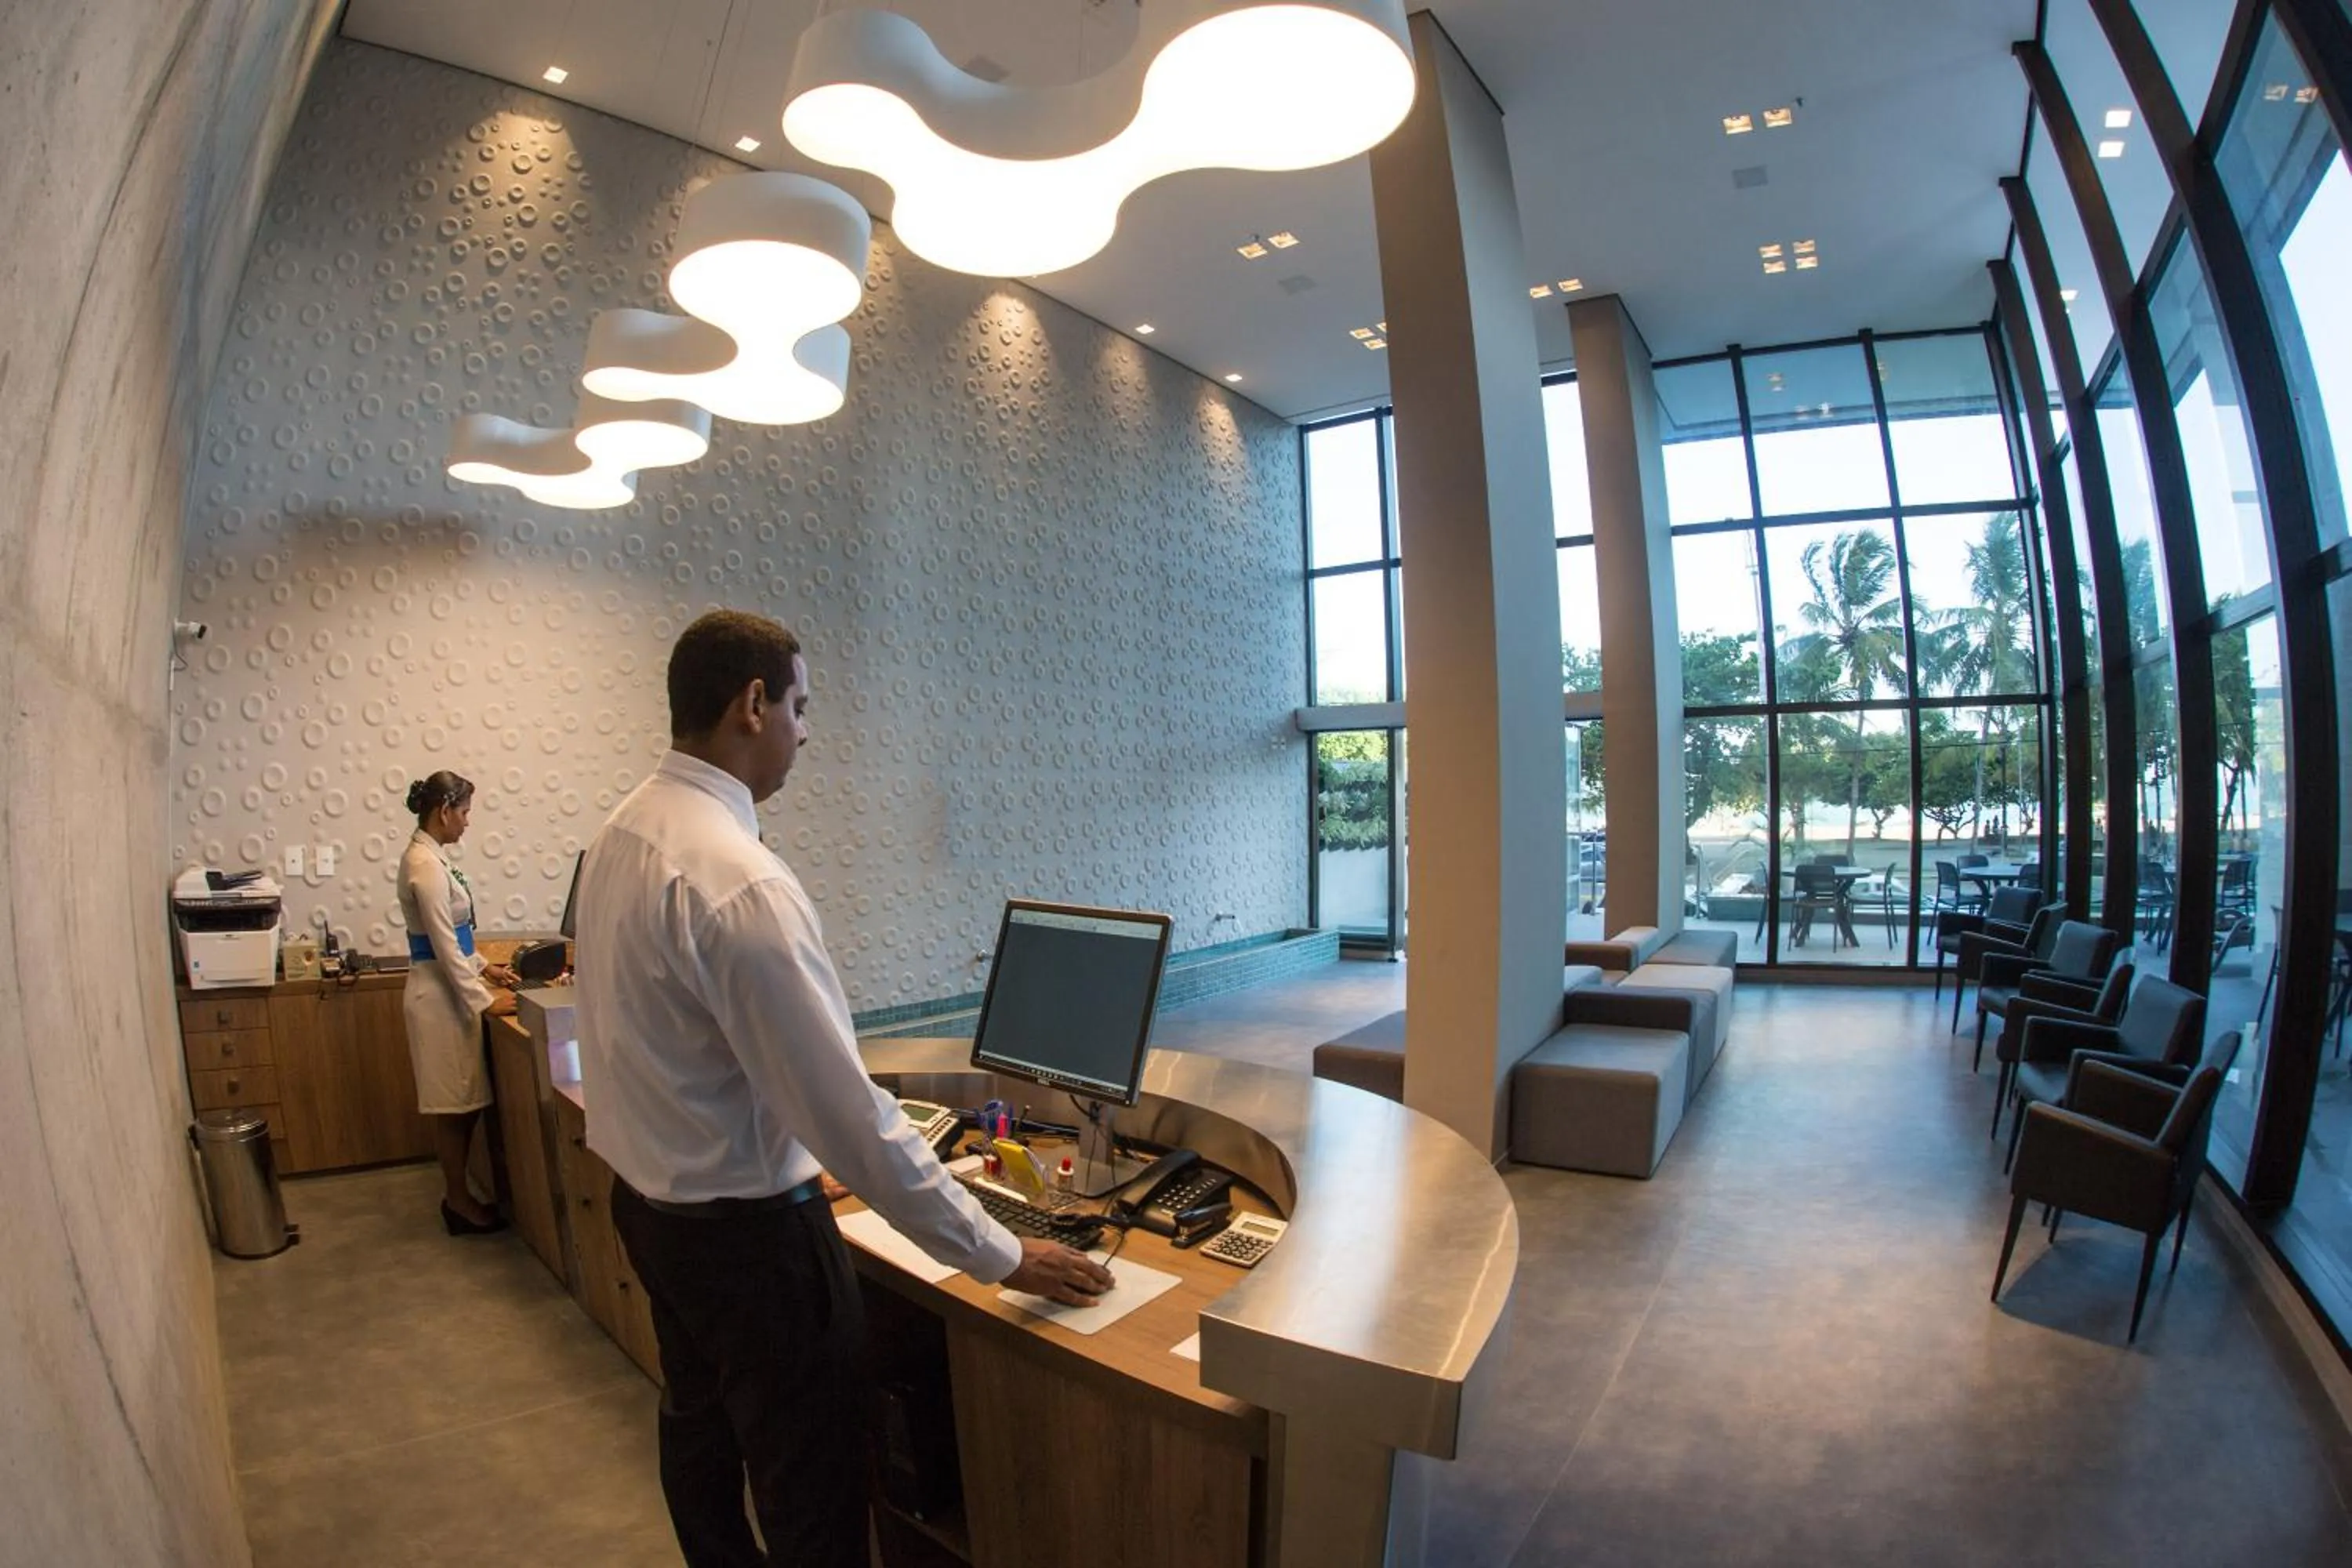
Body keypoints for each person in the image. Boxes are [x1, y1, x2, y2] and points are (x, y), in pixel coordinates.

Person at [575, 609, 1112, 1568]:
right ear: (753, 704)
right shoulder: (743, 883)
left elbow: (650, 1044)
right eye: (800, 704)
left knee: (697, 1440)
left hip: (654, 1216)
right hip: (752, 1250)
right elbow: (852, 1120)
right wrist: (1000, 1253)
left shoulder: (622, 833)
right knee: (813, 1494)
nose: (806, 730)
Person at [397, 770, 517, 1236]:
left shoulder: (433, 858)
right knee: (453, 1106)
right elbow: (443, 945)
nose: (468, 823)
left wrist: (485, 967)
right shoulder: (424, 866)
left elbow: (458, 938)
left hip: (452, 991)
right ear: (444, 811)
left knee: (464, 1102)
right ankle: (458, 1201)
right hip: (439, 999)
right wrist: (483, 1000)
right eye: (465, 812)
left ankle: (460, 1195)